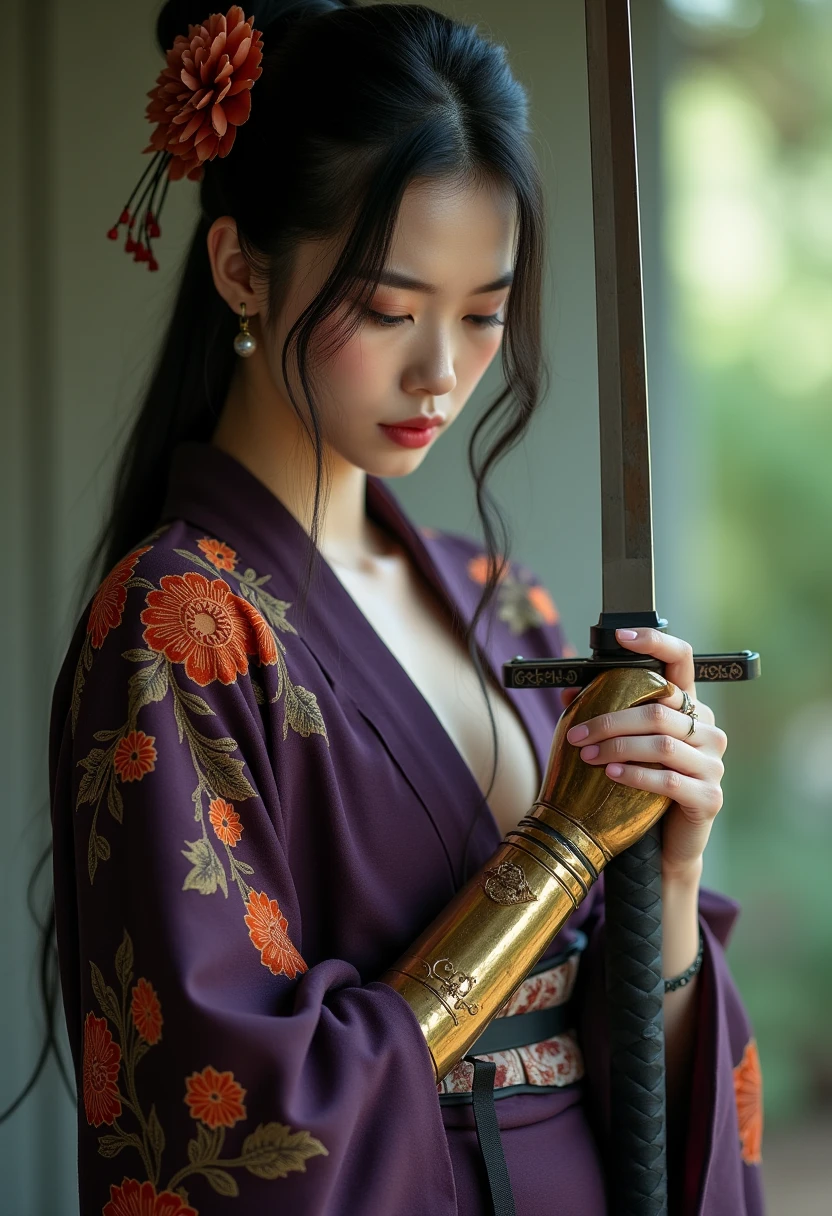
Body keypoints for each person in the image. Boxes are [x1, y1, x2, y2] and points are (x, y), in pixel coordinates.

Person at [48, 3, 765, 1213]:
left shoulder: (501, 602)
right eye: (389, 310)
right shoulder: (179, 625)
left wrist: (666, 875)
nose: (441, 371)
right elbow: (229, 1110)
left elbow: (639, 1046)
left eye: (483, 315)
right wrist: (558, 846)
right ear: (240, 267)